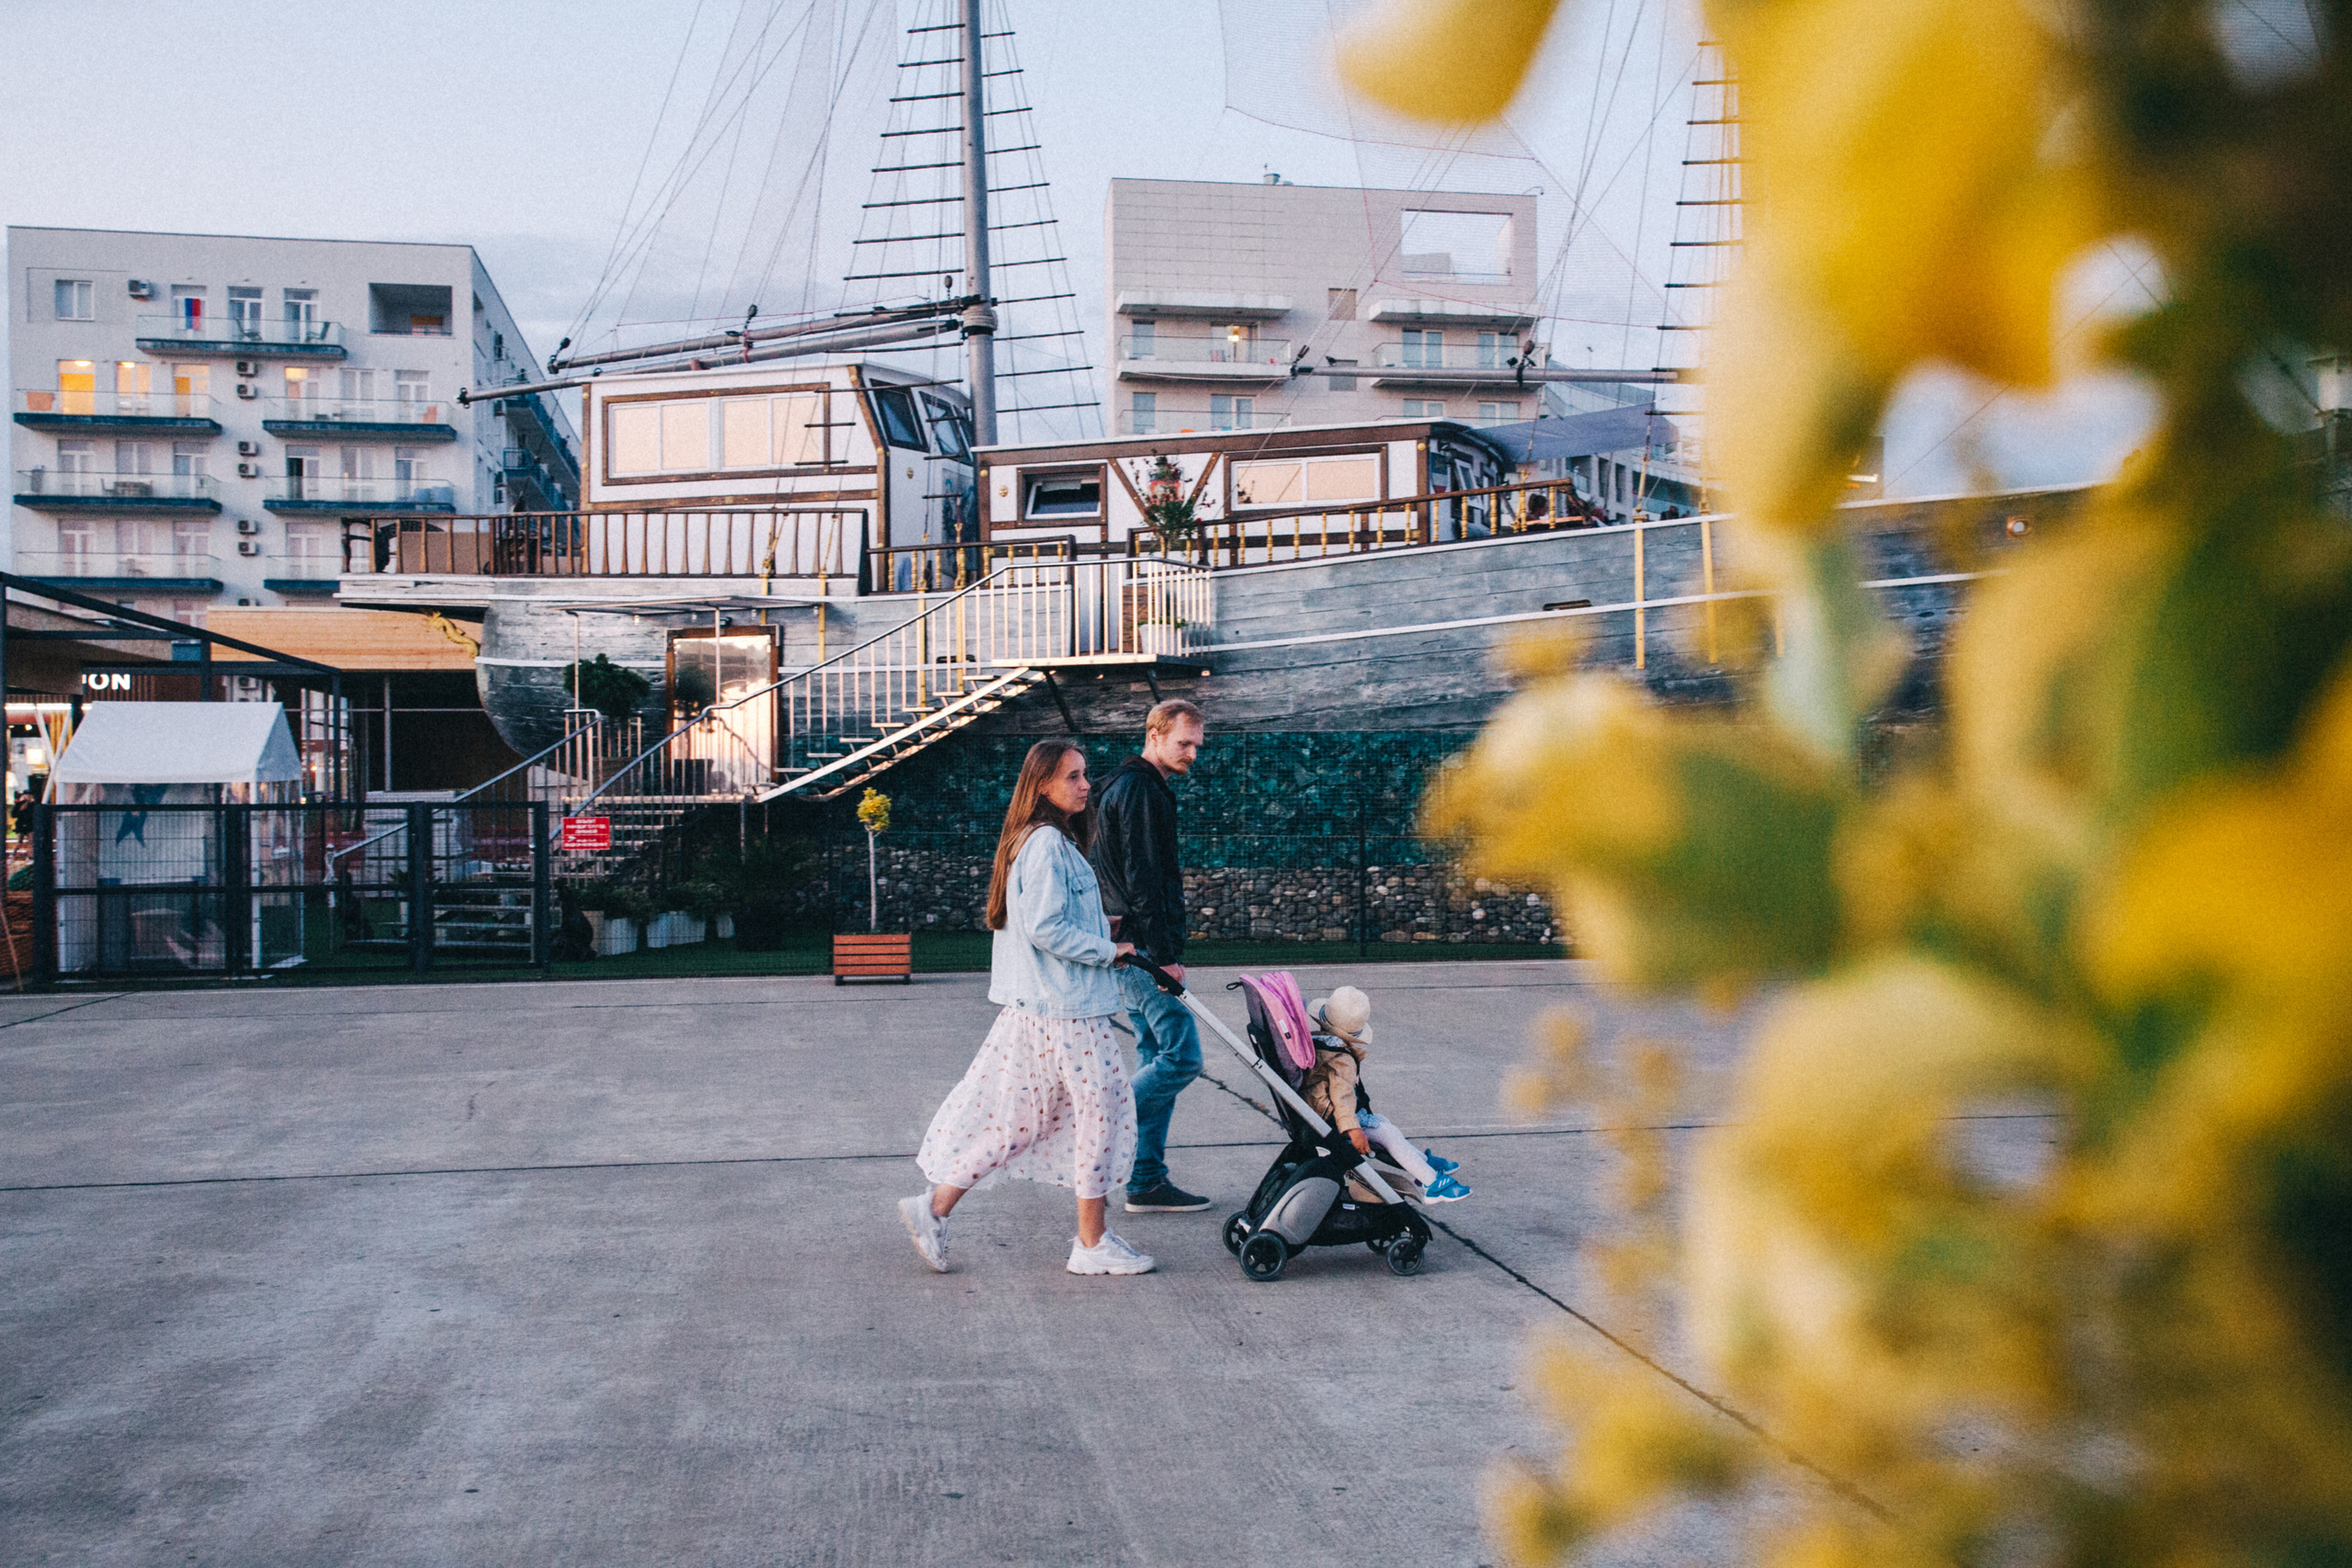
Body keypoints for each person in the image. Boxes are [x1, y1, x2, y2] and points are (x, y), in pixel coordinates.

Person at [900, 739, 1157, 1277]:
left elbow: (1045, 920)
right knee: (1102, 1116)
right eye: (1073, 777)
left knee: (1020, 1122)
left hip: (1043, 1009)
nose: (1085, 785)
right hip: (1065, 1012)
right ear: (1042, 786)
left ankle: (933, 1208)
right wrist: (1108, 950)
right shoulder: (1044, 844)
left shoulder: (1042, 840)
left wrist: (1098, 926)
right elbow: (1044, 928)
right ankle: (1092, 1243)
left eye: (1084, 774)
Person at [1091, 698, 1211, 1214]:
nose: (1192, 754)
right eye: (1184, 743)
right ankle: (1100, 1124)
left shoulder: (1117, 785)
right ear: (1155, 734)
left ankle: (1145, 1181)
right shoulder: (1140, 789)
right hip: (1142, 951)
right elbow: (1144, 877)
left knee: (1153, 1055)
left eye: (1197, 746)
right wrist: (1163, 957)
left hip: (1130, 946)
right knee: (1182, 1058)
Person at [1301, 986, 1471, 1202]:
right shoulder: (1341, 1059)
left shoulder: (1322, 1044)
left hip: (1322, 1116)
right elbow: (1342, 1097)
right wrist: (1353, 1130)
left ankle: (1422, 1164)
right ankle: (1432, 1184)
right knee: (1387, 1134)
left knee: (1383, 1123)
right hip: (1334, 1124)